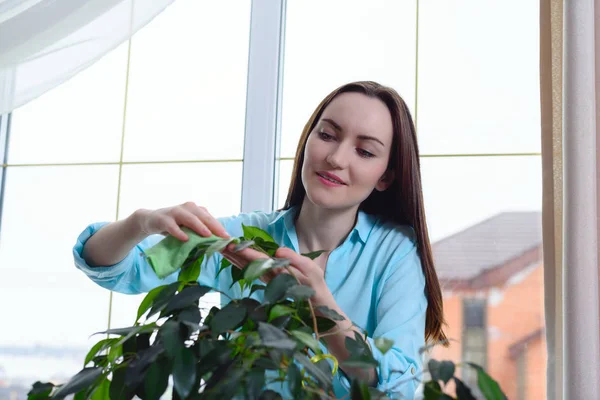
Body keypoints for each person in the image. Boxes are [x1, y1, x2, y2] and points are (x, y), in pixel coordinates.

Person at [73, 81, 446, 399]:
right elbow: (114, 267)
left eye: (364, 151)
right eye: (327, 135)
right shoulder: (241, 238)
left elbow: (397, 384)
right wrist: (141, 222)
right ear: (308, 139)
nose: (335, 157)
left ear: (385, 176)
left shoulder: (395, 251)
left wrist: (321, 308)